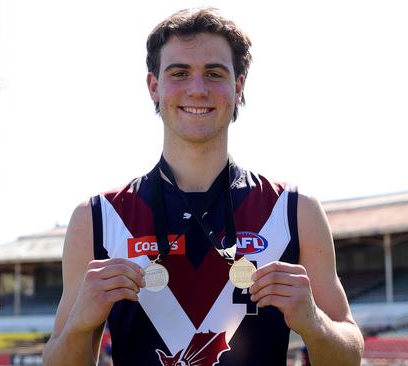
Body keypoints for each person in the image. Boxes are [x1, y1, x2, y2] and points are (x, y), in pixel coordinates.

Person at [43, 7, 363, 366]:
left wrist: (316, 324)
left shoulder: (294, 210)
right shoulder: (98, 217)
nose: (197, 89)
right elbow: (58, 357)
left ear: (238, 86)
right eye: (180, 73)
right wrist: (78, 325)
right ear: (154, 86)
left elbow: (349, 356)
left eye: (214, 73)